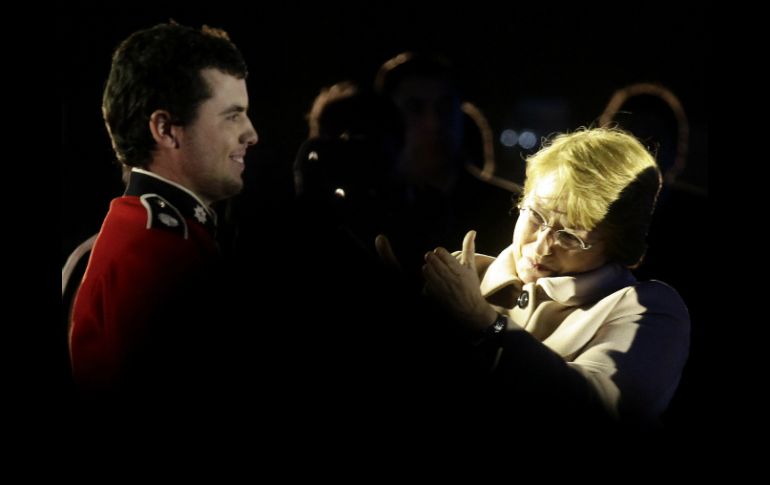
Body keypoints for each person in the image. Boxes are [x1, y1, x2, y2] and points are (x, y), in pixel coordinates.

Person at [411, 127, 690, 430]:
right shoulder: (464, 275)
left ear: (618, 245)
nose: (541, 247)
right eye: (536, 215)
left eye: (570, 236)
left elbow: (602, 411)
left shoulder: (648, 310)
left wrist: (487, 324)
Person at [68, 22, 258, 398]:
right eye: (232, 115)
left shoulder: (131, 232)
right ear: (166, 130)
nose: (251, 133)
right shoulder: (156, 252)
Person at [374, 52, 517, 271]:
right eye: (415, 108)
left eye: (445, 107)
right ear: (388, 119)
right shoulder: (372, 211)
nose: (433, 123)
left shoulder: (511, 211)